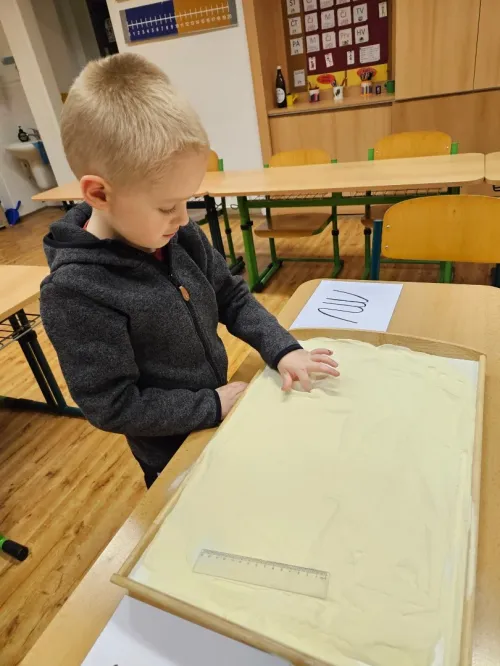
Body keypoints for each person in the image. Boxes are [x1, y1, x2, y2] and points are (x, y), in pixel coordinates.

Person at [40, 53, 339, 488]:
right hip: (171, 451)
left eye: (188, 201)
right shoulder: (76, 291)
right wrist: (209, 406)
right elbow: (113, 405)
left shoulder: (176, 235)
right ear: (99, 194)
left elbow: (231, 296)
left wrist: (281, 349)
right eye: (167, 206)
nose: (183, 219)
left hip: (217, 417)